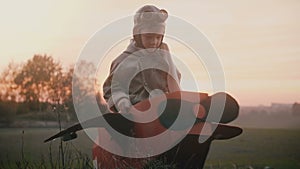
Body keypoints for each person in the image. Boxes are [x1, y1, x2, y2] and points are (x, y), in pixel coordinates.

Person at [94, 5, 240, 169]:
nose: (154, 42)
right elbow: (112, 88)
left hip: (167, 112)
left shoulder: (165, 56)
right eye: (149, 37)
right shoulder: (125, 61)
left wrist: (179, 101)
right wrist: (122, 102)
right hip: (138, 112)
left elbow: (174, 82)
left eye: (158, 37)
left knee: (192, 135)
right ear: (138, 35)